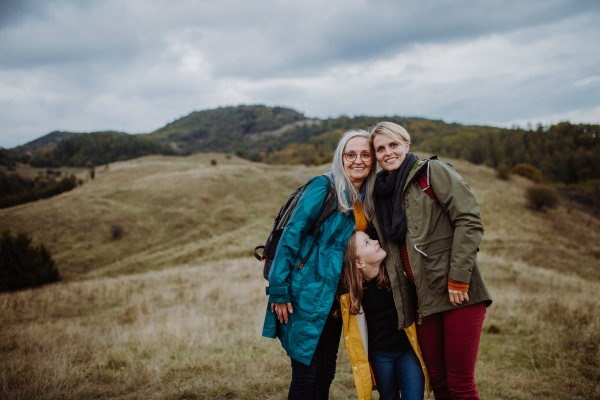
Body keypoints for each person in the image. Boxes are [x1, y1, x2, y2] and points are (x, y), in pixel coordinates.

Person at [370, 121, 493, 400]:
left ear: (406, 145)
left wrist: (459, 278)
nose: (388, 153)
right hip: (423, 301)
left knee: (460, 384)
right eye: (380, 148)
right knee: (438, 382)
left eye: (393, 145)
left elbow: (469, 221)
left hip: (458, 293)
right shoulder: (380, 193)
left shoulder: (431, 172)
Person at [262, 130, 377, 400]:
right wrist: (279, 291)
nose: (357, 160)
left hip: (336, 300)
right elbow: (291, 237)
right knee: (306, 376)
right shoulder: (324, 187)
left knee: (325, 374)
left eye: (365, 154)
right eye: (350, 154)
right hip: (305, 295)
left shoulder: (367, 197)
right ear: (341, 157)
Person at [336, 230, 431, 400]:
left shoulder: (397, 277)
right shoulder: (355, 294)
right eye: (367, 243)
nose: (375, 241)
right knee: (388, 396)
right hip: (380, 355)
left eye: (371, 238)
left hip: (407, 350)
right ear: (358, 263)